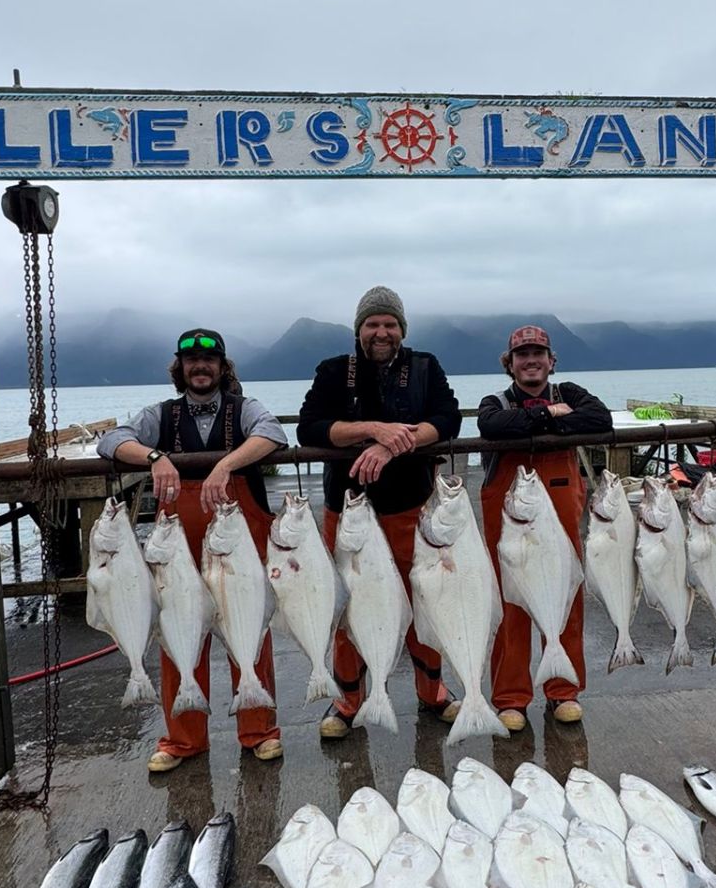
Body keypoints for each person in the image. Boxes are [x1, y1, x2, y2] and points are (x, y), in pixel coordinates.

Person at [97, 327, 288, 769]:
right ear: (180, 369)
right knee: (176, 639)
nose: (200, 368)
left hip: (236, 555)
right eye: (191, 362)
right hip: (177, 555)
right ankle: (183, 739)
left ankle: (259, 731)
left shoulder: (244, 410)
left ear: (223, 367)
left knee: (251, 636)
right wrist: (154, 457)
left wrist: (226, 463)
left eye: (209, 361)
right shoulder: (160, 415)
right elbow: (110, 440)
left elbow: (273, 433)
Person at [297, 286, 464, 739]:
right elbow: (309, 426)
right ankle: (347, 699)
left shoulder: (425, 366)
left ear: (402, 329)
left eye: (390, 323)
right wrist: (373, 429)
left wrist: (395, 445)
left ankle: (433, 692)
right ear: (359, 330)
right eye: (372, 324)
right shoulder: (333, 372)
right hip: (348, 511)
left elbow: (449, 418)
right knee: (347, 604)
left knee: (423, 599)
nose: (381, 332)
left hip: (412, 510)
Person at [477, 324, 611, 731]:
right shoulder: (495, 401)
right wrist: (549, 417)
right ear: (510, 364)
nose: (531, 360)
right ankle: (510, 699)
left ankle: (563, 692)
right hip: (511, 525)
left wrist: (534, 421)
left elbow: (600, 419)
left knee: (566, 601)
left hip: (560, 519)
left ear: (551, 362)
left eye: (538, 353)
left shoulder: (571, 392)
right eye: (522, 354)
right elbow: (494, 426)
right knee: (509, 610)